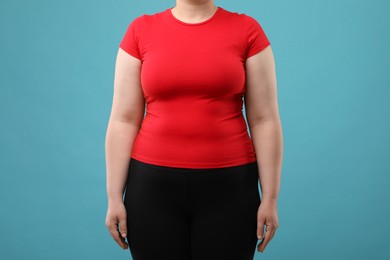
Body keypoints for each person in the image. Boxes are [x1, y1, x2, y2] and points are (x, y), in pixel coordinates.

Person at [105, 0, 283, 259]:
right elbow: (124, 119)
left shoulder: (248, 30)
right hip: (152, 191)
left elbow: (264, 119)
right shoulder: (140, 30)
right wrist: (113, 197)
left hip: (230, 190)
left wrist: (270, 198)